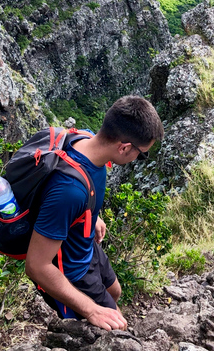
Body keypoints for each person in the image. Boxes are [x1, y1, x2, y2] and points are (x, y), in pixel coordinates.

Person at [25, 96, 164, 332]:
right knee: (118, 329)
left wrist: (90, 215)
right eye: (141, 154)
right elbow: (36, 266)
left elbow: (83, 188)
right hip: (71, 271)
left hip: (86, 244)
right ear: (124, 147)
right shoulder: (69, 192)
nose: (138, 159)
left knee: (115, 291)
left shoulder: (87, 138)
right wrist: (92, 310)